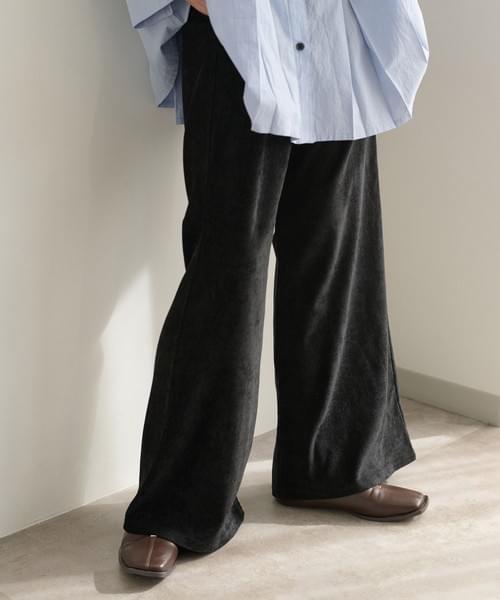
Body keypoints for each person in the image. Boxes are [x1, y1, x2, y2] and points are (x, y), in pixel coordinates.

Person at [119, 0, 431, 579]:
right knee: (224, 274)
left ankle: (333, 466)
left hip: (338, 39)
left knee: (338, 259)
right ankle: (177, 506)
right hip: (238, 36)